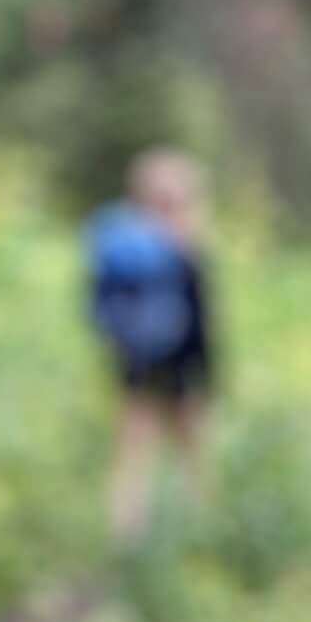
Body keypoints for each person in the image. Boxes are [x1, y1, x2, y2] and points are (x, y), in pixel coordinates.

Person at [86, 148, 214, 541]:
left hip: (133, 361)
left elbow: (98, 304)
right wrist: (210, 375)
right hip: (180, 364)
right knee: (192, 455)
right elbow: (202, 320)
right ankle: (200, 534)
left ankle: (127, 536)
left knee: (133, 454)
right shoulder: (183, 243)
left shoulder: (120, 239)